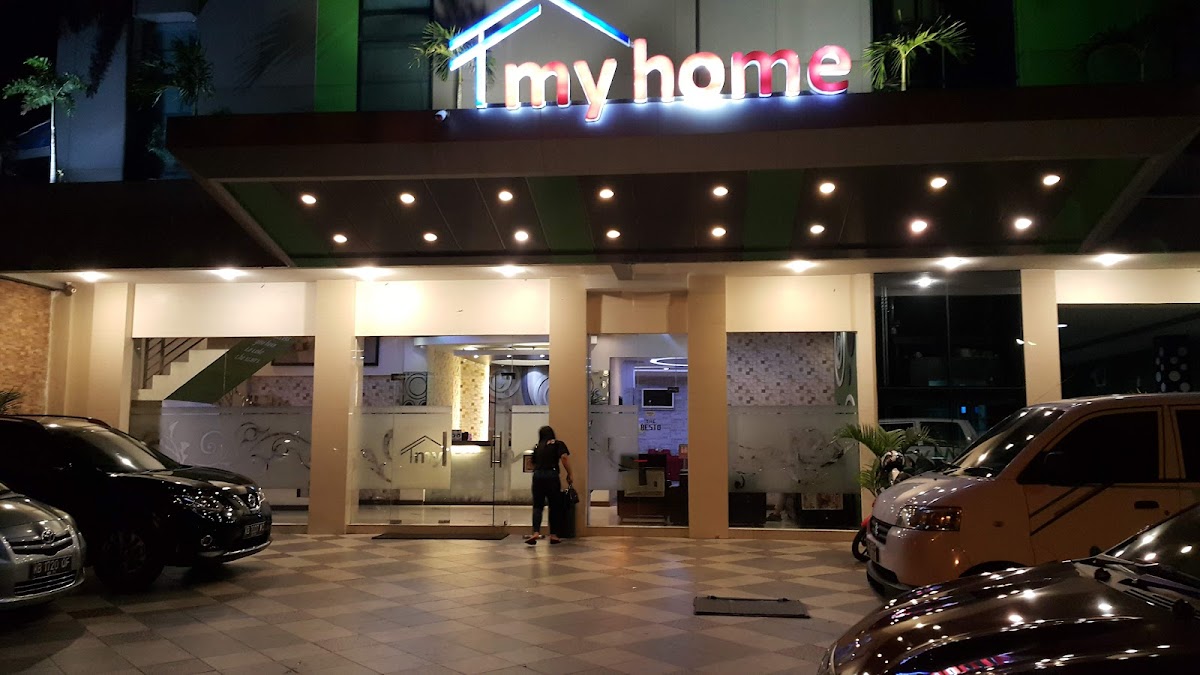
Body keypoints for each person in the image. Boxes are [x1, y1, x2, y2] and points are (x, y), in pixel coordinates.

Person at [527, 425, 573, 545]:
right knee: (554, 505)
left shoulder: (537, 446)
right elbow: (564, 458)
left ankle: (535, 532)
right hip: (551, 475)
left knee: (537, 506)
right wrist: (569, 473)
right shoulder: (558, 444)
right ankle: (553, 535)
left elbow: (531, 463)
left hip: (537, 476)